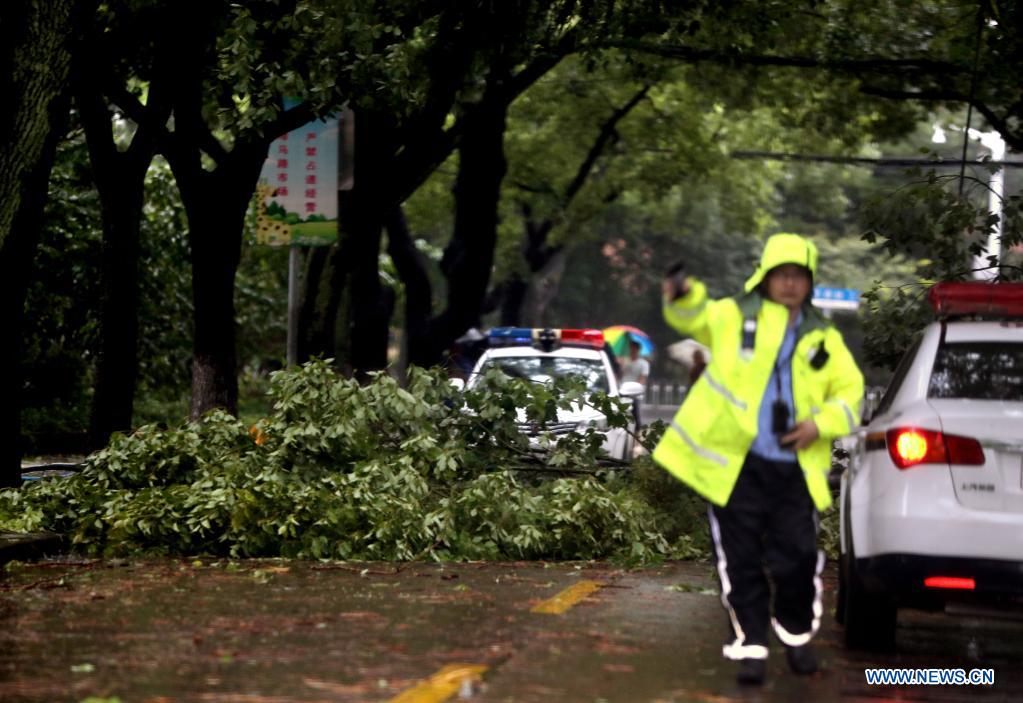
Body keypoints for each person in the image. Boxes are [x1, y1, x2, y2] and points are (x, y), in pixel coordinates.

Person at [653, 233, 864, 685]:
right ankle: (751, 644)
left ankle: (794, 635)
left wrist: (817, 425)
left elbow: (851, 394)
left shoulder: (821, 336)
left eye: (798, 276)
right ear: (765, 279)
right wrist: (683, 292)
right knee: (740, 560)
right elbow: (693, 316)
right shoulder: (732, 317)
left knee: (799, 560)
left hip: (794, 470)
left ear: (809, 283)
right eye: (781, 275)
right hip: (736, 468)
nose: (789, 284)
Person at [619, 338, 649, 425]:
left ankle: (637, 428)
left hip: (635, 393)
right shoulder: (624, 361)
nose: (632, 350)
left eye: (634, 348)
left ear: (638, 349)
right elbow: (619, 375)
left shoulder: (644, 363)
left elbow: (642, 378)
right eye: (631, 348)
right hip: (622, 390)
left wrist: (635, 388)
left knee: (634, 413)